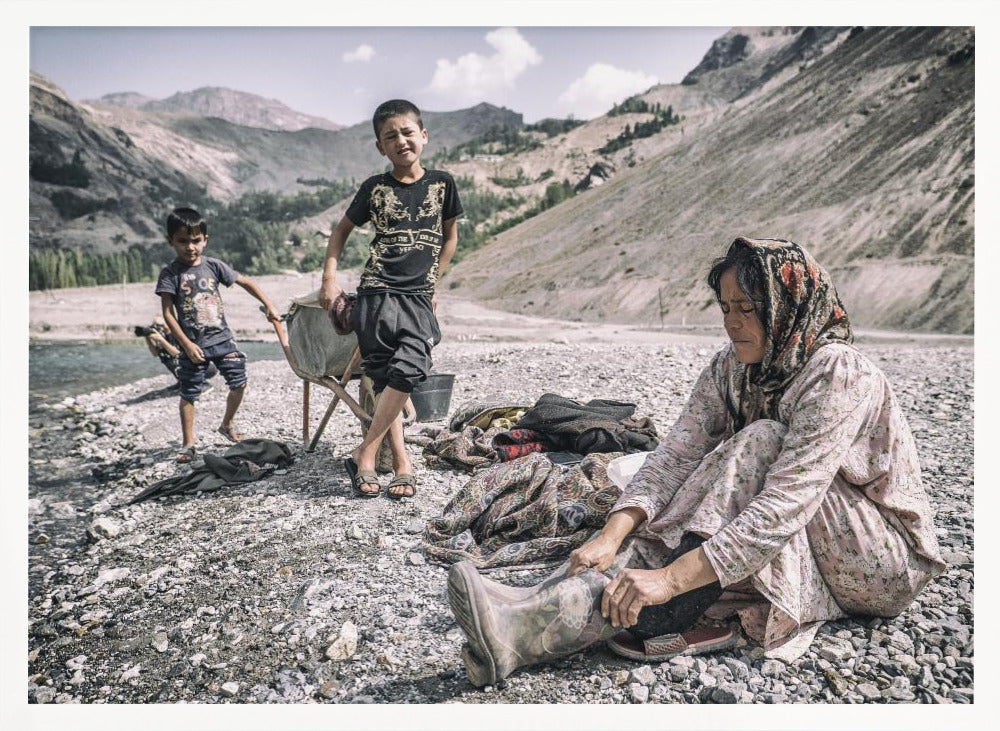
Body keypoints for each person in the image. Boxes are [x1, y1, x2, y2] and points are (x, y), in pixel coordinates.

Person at [447, 237, 945, 687]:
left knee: (757, 444)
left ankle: (666, 611)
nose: (731, 322)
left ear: (787, 308)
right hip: (806, 530)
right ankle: (529, 623)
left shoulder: (837, 371)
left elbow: (786, 503)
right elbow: (674, 456)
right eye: (726, 306)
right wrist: (611, 534)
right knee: (680, 501)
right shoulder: (733, 367)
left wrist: (669, 580)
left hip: (879, 562)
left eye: (748, 308)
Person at [318, 99, 462, 499]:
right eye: (390, 136)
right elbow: (340, 232)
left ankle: (365, 451)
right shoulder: (374, 188)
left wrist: (433, 283)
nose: (400, 141)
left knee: (412, 364)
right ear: (381, 147)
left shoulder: (443, 184)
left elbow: (449, 237)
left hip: (416, 295)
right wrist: (329, 279)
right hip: (377, 291)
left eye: (407, 132)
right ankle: (400, 462)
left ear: (423, 136)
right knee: (384, 377)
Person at [155, 207, 281, 463]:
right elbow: (168, 314)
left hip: (222, 339)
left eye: (196, 240)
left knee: (239, 383)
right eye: (182, 241)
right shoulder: (170, 274)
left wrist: (269, 304)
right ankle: (189, 443)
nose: (190, 247)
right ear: (171, 241)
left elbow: (246, 282)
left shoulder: (213, 266)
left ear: (205, 239)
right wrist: (186, 344)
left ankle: (226, 424)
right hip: (194, 346)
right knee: (189, 394)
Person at [136, 317, 218, 388]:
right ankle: (181, 382)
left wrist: (162, 340)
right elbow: (155, 354)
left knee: (179, 360)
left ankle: (202, 383)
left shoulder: (177, 336)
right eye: (155, 325)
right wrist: (148, 339)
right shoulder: (161, 338)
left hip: (206, 369)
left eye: (160, 325)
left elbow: (177, 354)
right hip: (188, 369)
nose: (159, 328)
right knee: (168, 360)